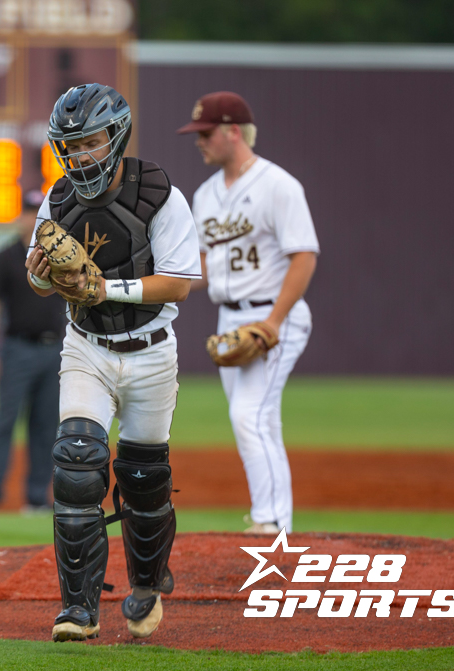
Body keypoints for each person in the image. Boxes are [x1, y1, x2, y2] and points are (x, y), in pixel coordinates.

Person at [25, 83, 202, 642]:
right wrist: (42, 275)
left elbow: (179, 284)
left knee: (145, 479)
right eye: (70, 146)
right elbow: (38, 279)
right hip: (87, 346)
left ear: (117, 136)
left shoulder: (160, 194)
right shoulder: (57, 200)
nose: (80, 156)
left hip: (151, 350)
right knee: (76, 463)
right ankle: (78, 609)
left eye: (90, 142)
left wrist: (104, 287)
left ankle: (146, 584)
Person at [177, 91, 319, 535]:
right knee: (261, 421)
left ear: (234, 132)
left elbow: (304, 257)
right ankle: (279, 525)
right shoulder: (205, 195)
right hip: (230, 318)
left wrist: (273, 322)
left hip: (273, 315)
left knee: (248, 415)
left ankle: (269, 521)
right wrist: (159, 284)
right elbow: (203, 266)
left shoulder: (278, 185)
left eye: (206, 133)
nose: (199, 141)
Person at [0, 222, 67, 513]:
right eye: (28, 211)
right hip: (17, 348)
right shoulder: (7, 256)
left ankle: (37, 498)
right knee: (5, 420)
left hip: (55, 349)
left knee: (46, 425)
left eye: (37, 211)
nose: (32, 218)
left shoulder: (63, 254)